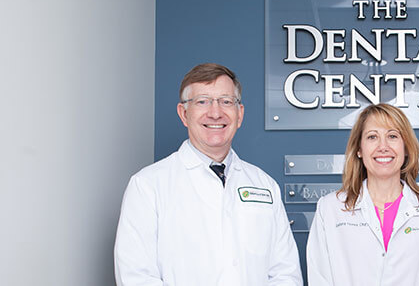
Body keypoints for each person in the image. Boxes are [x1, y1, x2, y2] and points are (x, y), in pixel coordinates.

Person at [114, 63, 302, 285]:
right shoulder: (147, 186)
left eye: (226, 101)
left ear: (239, 114)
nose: (215, 113)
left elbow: (285, 273)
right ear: (184, 113)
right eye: (202, 101)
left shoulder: (264, 184)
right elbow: (137, 276)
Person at [306, 103, 419, 285]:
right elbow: (320, 278)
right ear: (359, 149)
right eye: (372, 137)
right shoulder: (329, 208)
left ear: (406, 147)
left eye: (392, 136)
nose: (383, 146)